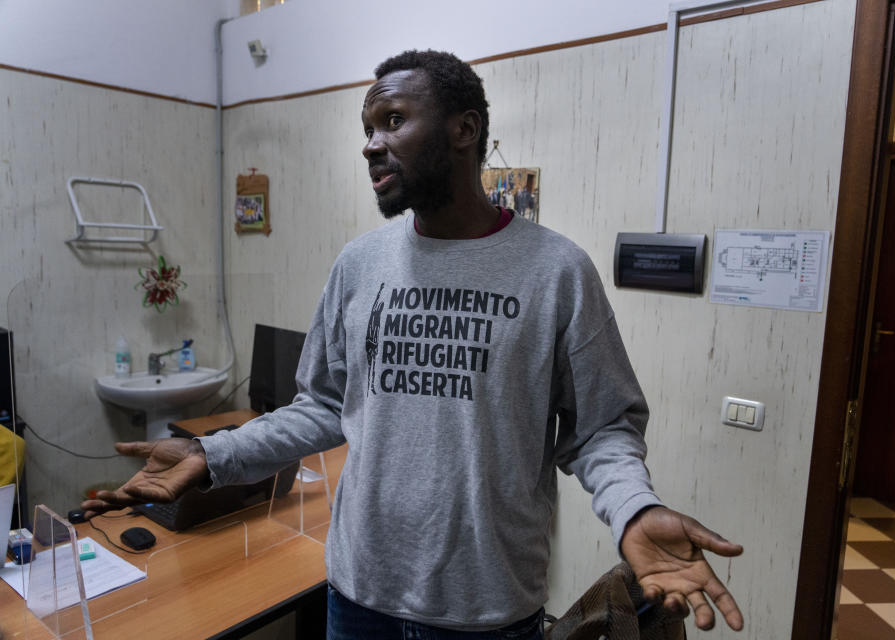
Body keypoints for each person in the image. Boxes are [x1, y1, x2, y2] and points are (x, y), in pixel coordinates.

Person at [82, 50, 743, 638]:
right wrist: (214, 453)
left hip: (484, 611)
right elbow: (322, 407)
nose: (372, 144)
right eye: (367, 129)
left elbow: (600, 429)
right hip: (358, 596)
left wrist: (634, 509)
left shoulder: (557, 271)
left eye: (393, 120)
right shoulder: (359, 264)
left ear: (464, 129)